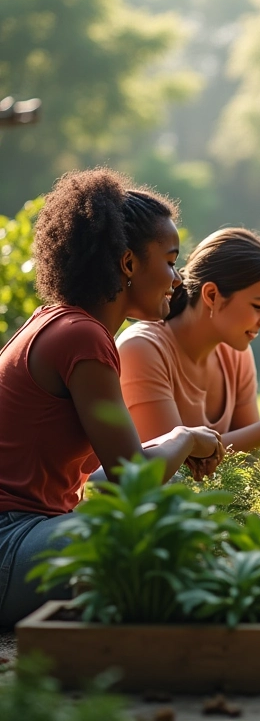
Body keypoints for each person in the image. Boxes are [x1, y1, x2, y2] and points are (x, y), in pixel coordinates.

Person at [0, 168, 225, 627]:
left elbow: (112, 476)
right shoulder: (83, 336)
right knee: (156, 520)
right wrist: (184, 438)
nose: (178, 278)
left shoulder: (57, 321)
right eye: (169, 260)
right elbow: (132, 482)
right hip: (11, 545)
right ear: (127, 264)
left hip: (27, 537)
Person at [117, 228, 260, 450]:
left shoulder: (236, 354)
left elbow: (251, 456)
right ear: (212, 295)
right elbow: (167, 466)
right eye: (257, 306)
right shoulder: (142, 350)